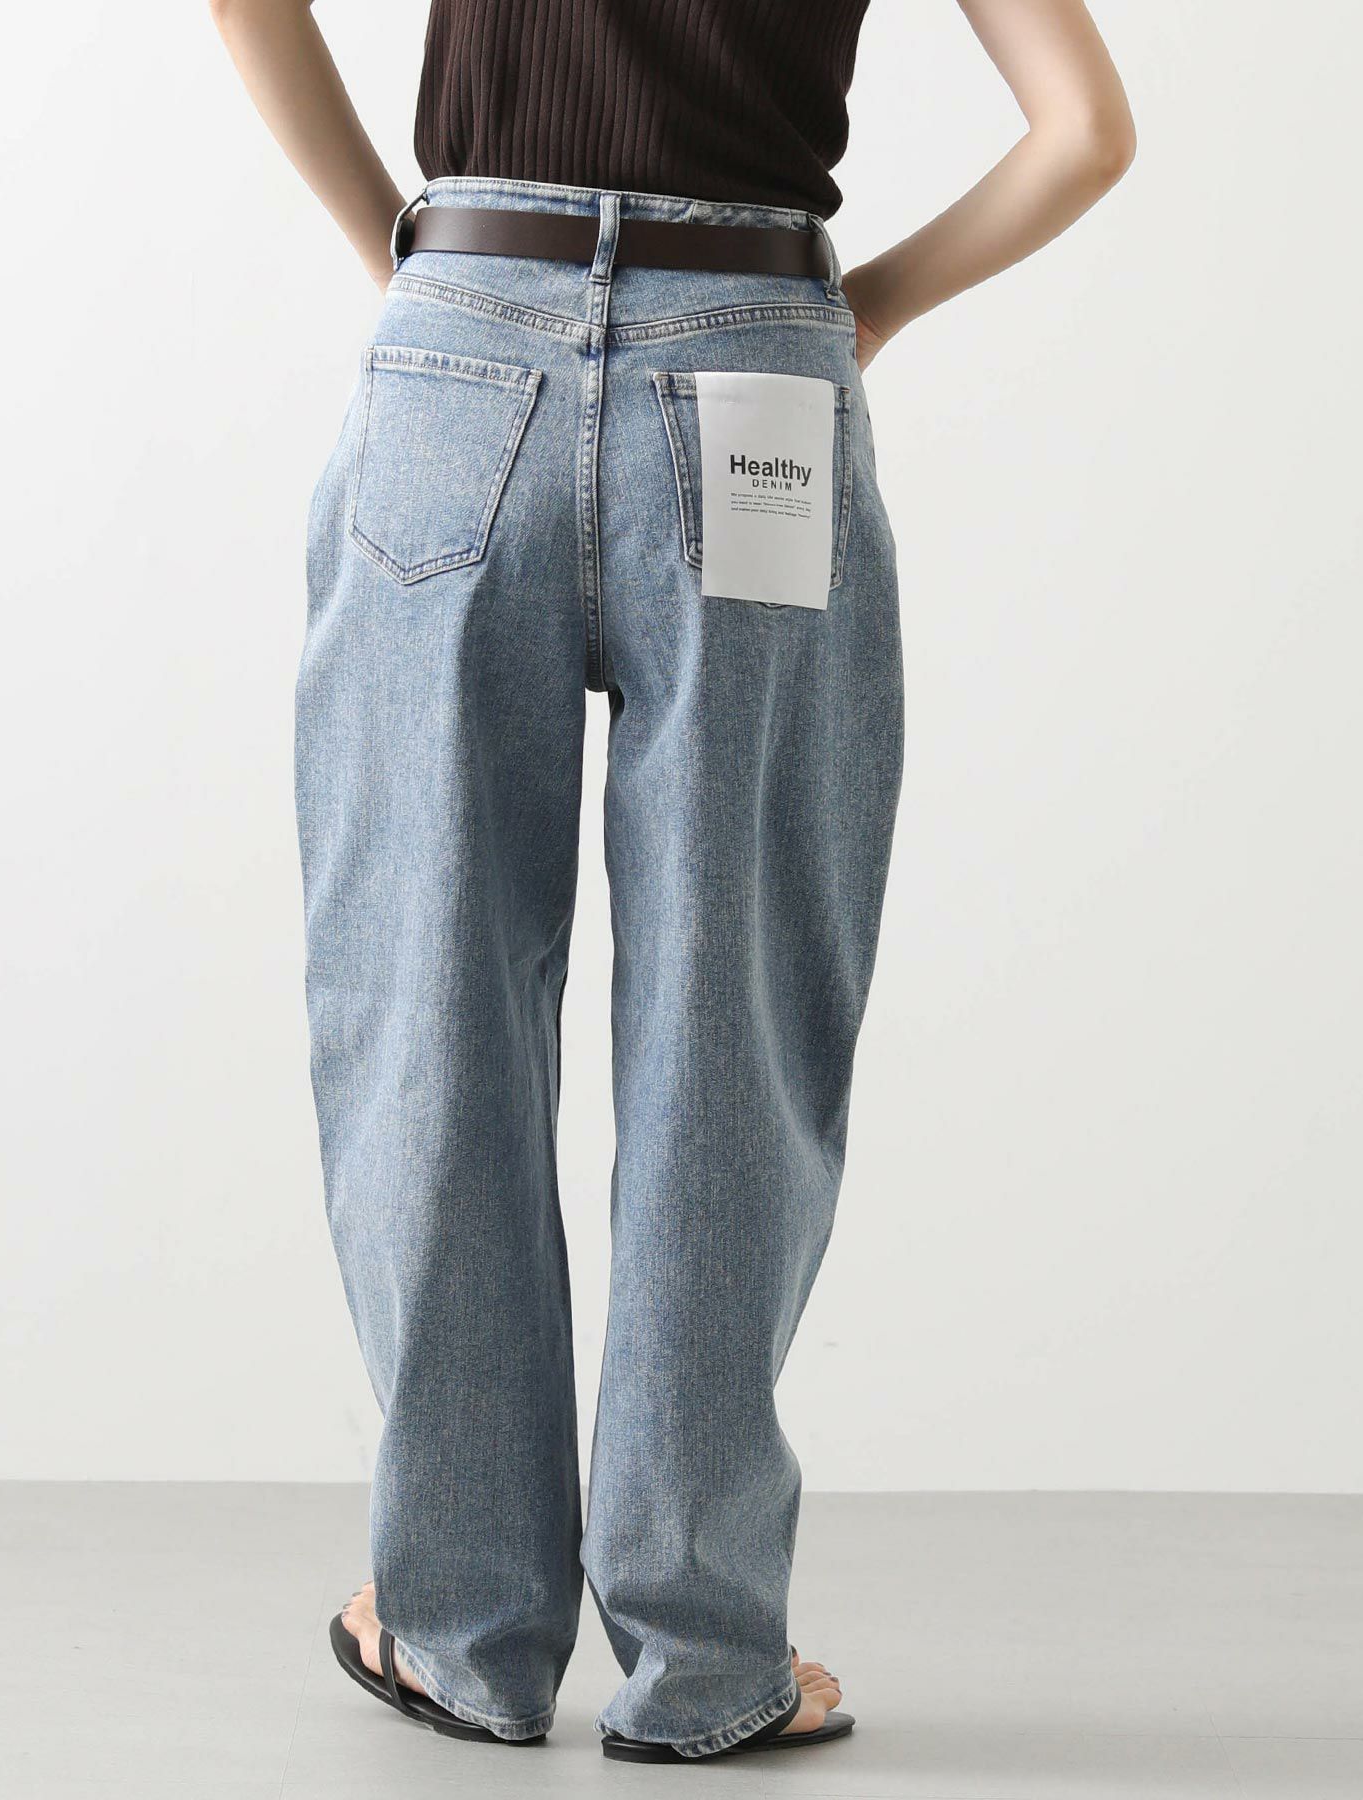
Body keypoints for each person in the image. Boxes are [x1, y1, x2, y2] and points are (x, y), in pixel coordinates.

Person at [210, 0, 1134, 1763]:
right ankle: (705, 1657)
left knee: (428, 1009)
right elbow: (1086, 132)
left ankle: (458, 1627)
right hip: (757, 368)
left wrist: (421, 261)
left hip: (462, 337)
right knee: (733, 1026)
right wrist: (865, 310)